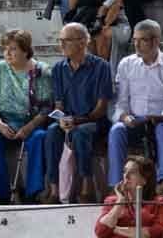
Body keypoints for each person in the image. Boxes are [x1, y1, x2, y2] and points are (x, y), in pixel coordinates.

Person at [41, 23, 112, 204]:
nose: (61, 45)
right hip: (69, 120)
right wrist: (61, 119)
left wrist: (78, 120)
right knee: (51, 132)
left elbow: (101, 108)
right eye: (60, 40)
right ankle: (54, 189)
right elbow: (58, 105)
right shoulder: (58, 69)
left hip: (93, 120)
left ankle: (86, 187)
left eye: (66, 40)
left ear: (82, 42)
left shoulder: (101, 67)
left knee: (81, 133)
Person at [0, 29, 51, 204]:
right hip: (4, 122)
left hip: (32, 123)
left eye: (12, 49)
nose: (7, 53)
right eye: (5, 49)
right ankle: (0, 195)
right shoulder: (0, 68)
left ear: (25, 50)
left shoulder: (41, 70)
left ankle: (33, 193)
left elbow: (46, 107)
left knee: (39, 138)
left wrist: (29, 127)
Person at [95, 155, 163, 238]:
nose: (126, 176)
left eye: (132, 172)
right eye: (124, 171)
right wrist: (120, 202)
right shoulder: (112, 201)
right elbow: (100, 231)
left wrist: (114, 228)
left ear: (145, 179)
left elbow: (154, 232)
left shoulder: (159, 203)